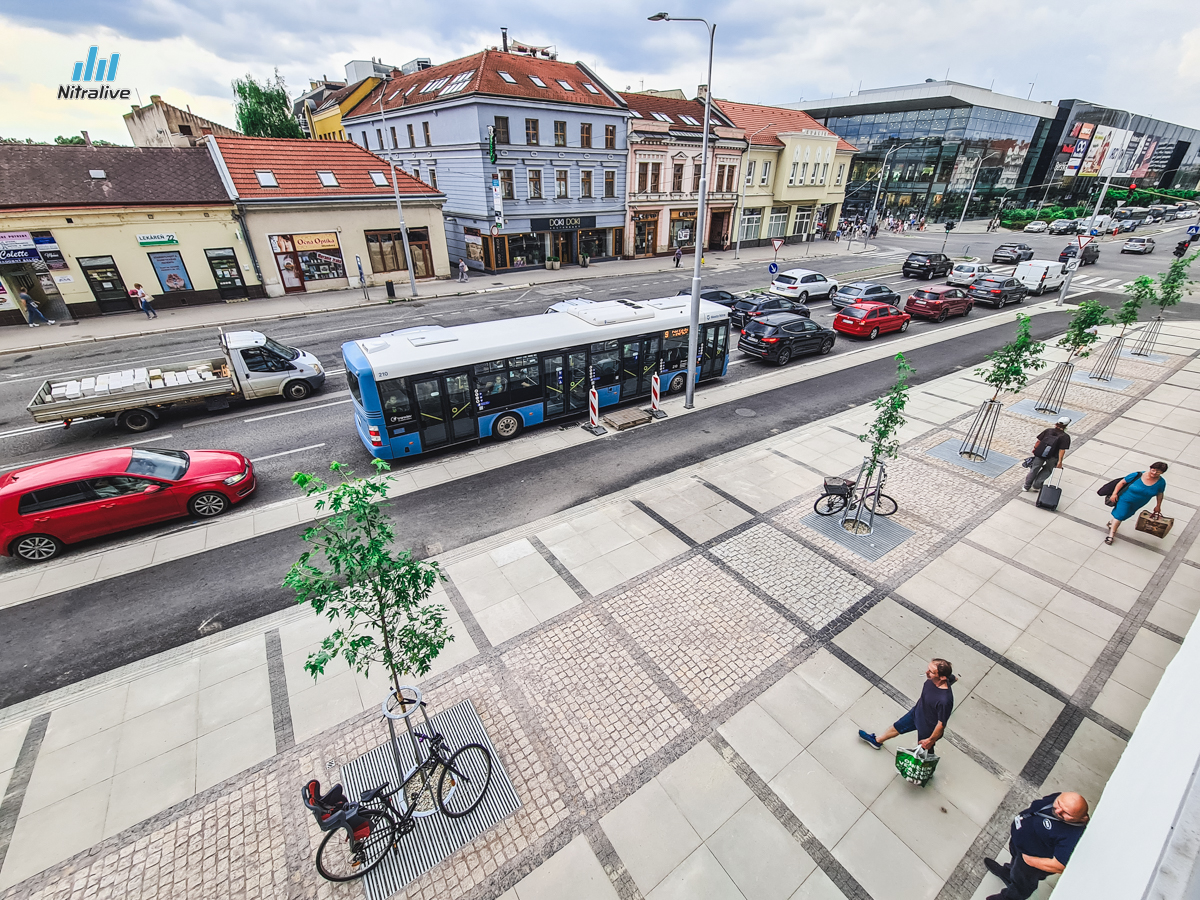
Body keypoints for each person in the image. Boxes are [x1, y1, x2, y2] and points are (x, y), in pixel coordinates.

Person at [983, 792, 1089, 900]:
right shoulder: (1060, 798)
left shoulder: (1074, 836)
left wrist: (1031, 861)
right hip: (1020, 846)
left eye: (1067, 813)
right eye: (1058, 804)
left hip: (1032, 862)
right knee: (1015, 865)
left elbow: (1060, 865)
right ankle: (1008, 873)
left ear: (1082, 818)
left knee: (1022, 886)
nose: (1058, 811)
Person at [859, 658, 955, 752]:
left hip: (927, 727)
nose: (927, 672)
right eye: (928, 669)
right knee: (897, 727)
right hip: (916, 713)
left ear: (942, 677)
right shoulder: (936, 679)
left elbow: (941, 725)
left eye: (931, 672)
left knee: (924, 751)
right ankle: (877, 741)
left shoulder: (944, 700)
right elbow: (952, 678)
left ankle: (924, 766)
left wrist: (930, 740)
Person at [1105, 462, 1168, 545]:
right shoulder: (1137, 475)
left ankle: (1111, 522)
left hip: (1138, 503)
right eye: (1153, 470)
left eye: (1158, 472)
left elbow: (1160, 494)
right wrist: (1114, 493)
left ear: (1162, 473)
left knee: (1125, 515)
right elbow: (1122, 482)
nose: (1154, 473)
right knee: (1121, 515)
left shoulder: (1161, 483)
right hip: (1125, 499)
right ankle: (1111, 535)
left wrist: (1158, 506)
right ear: (1150, 468)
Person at [1024, 417, 1071, 492]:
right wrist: (1060, 461)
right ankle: (1036, 485)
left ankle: (1026, 486)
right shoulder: (1065, 437)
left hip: (1040, 453)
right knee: (1047, 470)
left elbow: (1038, 441)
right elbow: (1062, 450)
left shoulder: (1048, 431)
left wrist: (1035, 449)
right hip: (1053, 457)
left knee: (1034, 469)